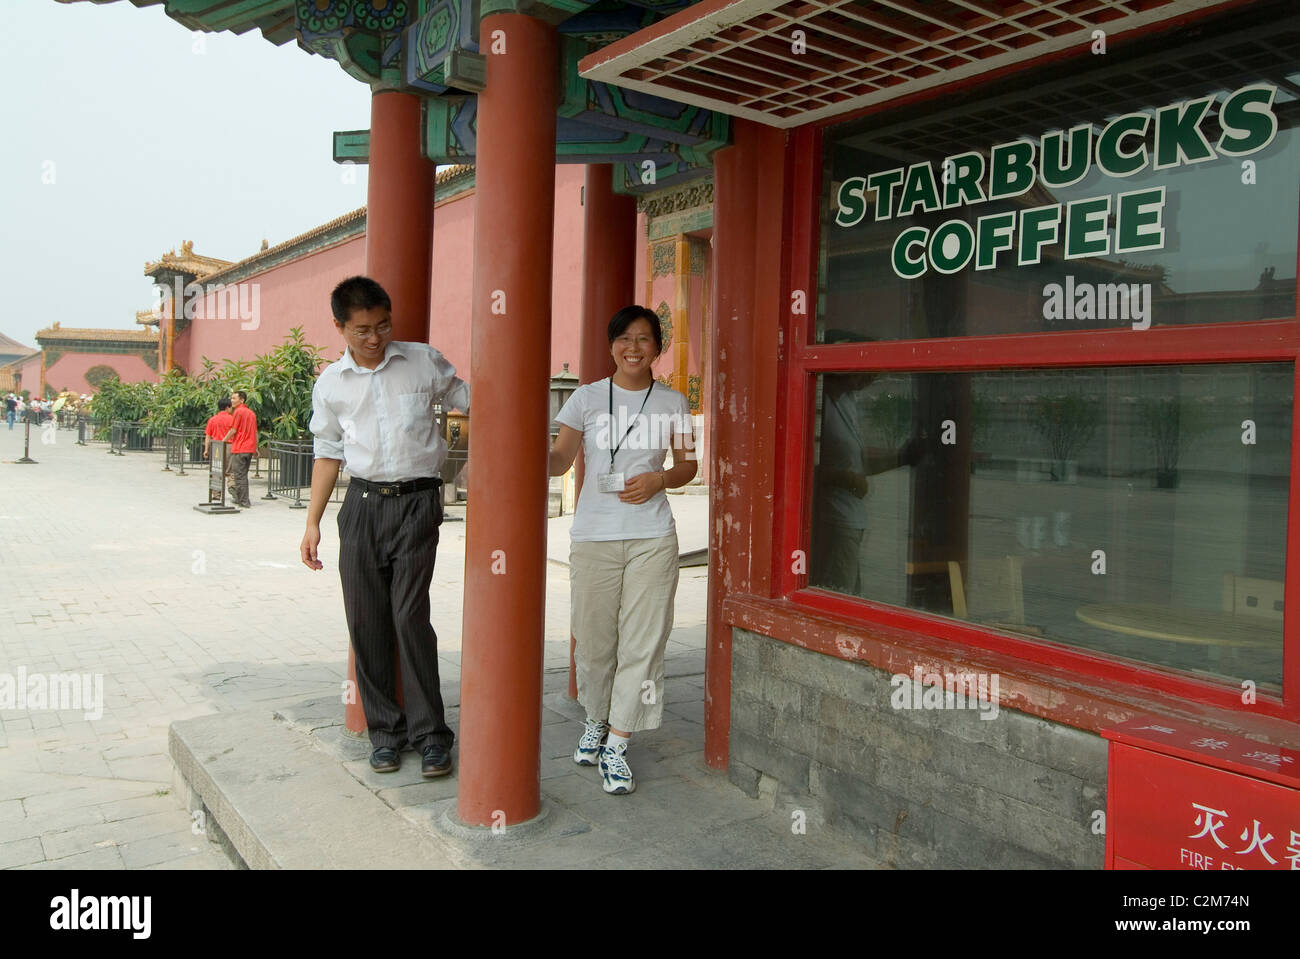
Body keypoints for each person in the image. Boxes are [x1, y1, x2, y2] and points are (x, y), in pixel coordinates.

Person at [300, 275, 468, 779]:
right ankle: (385, 733)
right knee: (367, 621)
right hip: (362, 505)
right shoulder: (331, 384)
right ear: (339, 327)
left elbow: (468, 396)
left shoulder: (422, 360)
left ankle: (432, 735)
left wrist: (468, 433)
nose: (375, 338)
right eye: (362, 330)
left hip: (417, 503)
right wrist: (313, 523)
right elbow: (327, 455)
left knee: (409, 617)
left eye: (382, 326)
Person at [548, 305, 697, 795]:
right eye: (624, 339)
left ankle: (618, 741)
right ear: (611, 344)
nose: (633, 348)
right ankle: (595, 718)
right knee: (593, 642)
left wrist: (660, 479)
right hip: (594, 536)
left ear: (658, 346)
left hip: (652, 536)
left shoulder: (673, 402)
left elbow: (688, 466)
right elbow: (559, 460)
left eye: (644, 339)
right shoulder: (586, 399)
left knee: (644, 642)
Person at [221, 390, 258, 508]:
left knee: (239, 476)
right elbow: (255, 432)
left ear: (242, 400)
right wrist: (256, 448)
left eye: (234, 398)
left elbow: (233, 430)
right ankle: (243, 499)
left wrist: (223, 440)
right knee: (243, 475)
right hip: (249, 448)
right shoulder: (251, 413)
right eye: (231, 398)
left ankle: (243, 501)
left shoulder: (238, 412)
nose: (232, 400)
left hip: (240, 447)